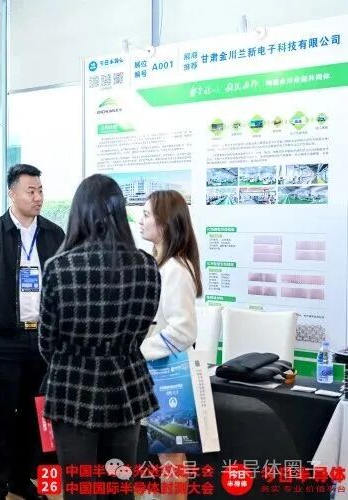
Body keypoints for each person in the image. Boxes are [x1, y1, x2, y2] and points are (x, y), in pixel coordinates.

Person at [39, 174, 161, 500]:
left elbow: (47, 342)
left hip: (73, 388)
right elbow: (141, 330)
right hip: (126, 387)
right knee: (119, 487)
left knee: (80, 490)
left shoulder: (58, 267)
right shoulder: (147, 266)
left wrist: (73, 357)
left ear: (79, 213)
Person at [0, 163, 65, 500]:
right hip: (5, 340)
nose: (38, 197)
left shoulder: (55, 235)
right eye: (31, 191)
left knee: (34, 413)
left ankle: (22, 479)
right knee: (0, 415)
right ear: (12, 193)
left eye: (40, 190)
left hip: (43, 340)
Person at [138, 190, 202, 500]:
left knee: (172, 457)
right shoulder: (161, 263)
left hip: (169, 374)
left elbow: (183, 330)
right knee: (167, 456)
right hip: (160, 372)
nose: (140, 221)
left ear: (164, 223)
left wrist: (140, 350)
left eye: (146, 214)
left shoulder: (175, 269)